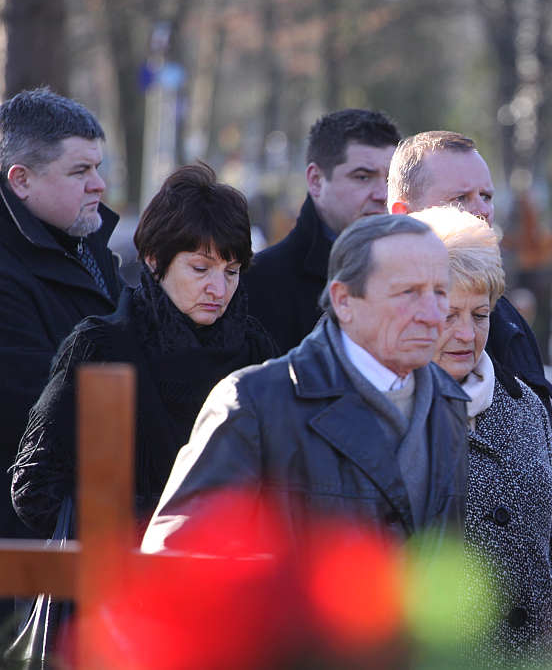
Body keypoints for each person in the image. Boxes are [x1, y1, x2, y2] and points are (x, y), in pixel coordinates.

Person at [142, 215, 468, 553]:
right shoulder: (254, 405)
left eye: (440, 292)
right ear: (343, 301)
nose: (432, 314)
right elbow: (176, 560)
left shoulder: (449, 404)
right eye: (408, 292)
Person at [11, 163, 277, 537]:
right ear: (154, 260)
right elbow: (34, 487)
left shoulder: (254, 349)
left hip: (226, 580)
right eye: (201, 268)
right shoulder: (100, 346)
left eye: (231, 271)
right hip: (118, 580)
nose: (218, 288)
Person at [413, 206, 552, 666]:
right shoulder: (389, 415)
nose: (466, 334)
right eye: (449, 314)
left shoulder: (524, 405)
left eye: (480, 314)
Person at [387, 130, 552, 454]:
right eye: (460, 199)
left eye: (487, 196)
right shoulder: (361, 331)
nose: (482, 211)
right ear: (403, 215)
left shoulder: (507, 321)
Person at [0, 88, 122, 542]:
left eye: (97, 167)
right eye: (80, 171)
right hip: (26, 536)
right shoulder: (8, 274)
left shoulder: (83, 243)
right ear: (22, 180)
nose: (99, 184)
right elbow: (34, 407)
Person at [245, 109, 401, 353]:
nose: (382, 194)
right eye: (362, 177)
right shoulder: (257, 283)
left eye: (392, 179)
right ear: (316, 180)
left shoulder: (419, 277)